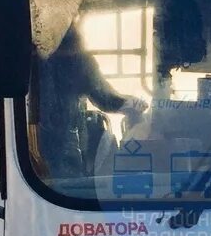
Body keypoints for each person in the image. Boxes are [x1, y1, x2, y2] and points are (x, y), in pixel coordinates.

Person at [32, 21, 147, 183]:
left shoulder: (30, 58)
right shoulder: (79, 61)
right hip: (62, 147)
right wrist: (133, 104)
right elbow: (107, 99)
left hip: (32, 149)